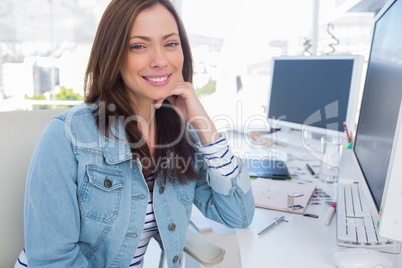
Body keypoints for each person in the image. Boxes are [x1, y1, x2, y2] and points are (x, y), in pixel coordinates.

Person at [15, 0, 255, 267]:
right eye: (139, 46)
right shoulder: (67, 135)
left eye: (170, 43)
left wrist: (204, 125)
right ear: (114, 55)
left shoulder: (180, 136)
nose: (160, 60)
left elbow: (238, 215)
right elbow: (52, 260)